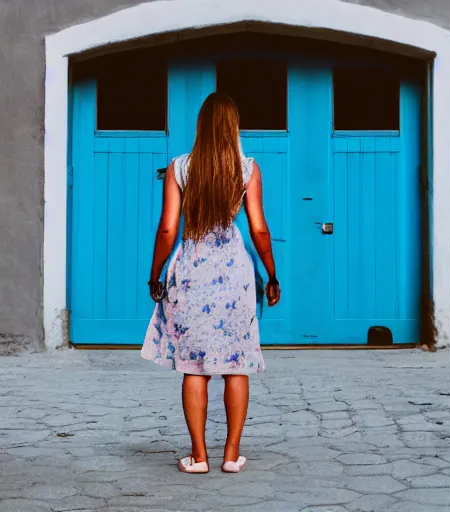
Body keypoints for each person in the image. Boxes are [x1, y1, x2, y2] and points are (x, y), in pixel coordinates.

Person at [141, 92, 280, 474]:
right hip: (235, 274)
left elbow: (168, 228)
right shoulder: (248, 169)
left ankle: (199, 456)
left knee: (194, 367)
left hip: (191, 271)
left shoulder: (180, 168)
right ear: (234, 127)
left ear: (201, 126)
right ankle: (231, 455)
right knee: (237, 365)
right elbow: (259, 230)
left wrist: (154, 274)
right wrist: (271, 274)